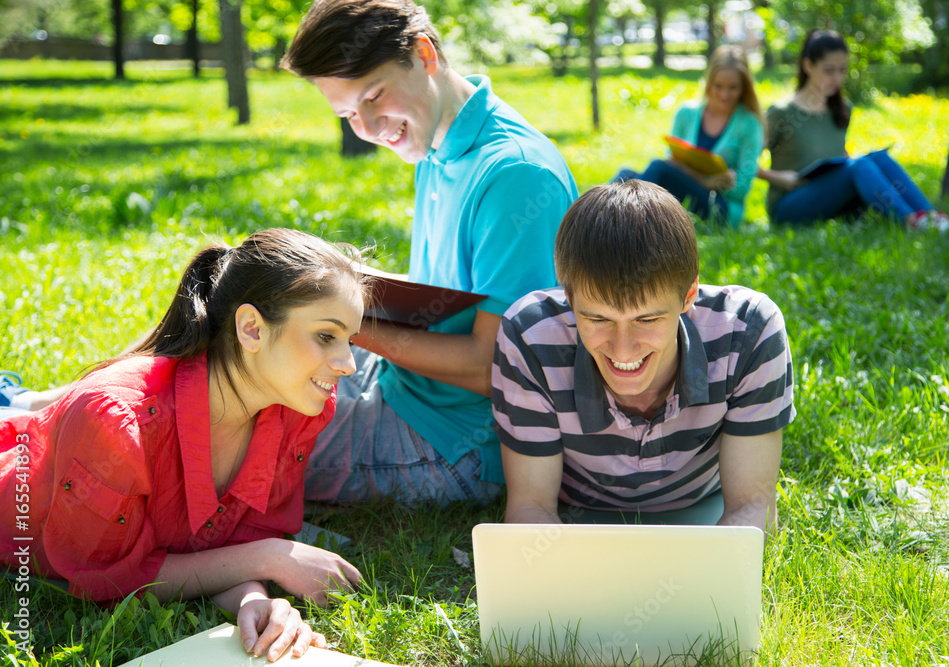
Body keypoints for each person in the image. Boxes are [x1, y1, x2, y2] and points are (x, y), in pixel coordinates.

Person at [2, 229, 368, 662]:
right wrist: (270, 559)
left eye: (351, 341)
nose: (348, 364)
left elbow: (230, 546)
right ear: (251, 329)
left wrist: (254, 601)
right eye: (327, 336)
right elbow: (108, 580)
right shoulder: (117, 424)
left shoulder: (293, 411)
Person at [279, 0, 578, 506]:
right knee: (241, 374)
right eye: (350, 113)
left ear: (424, 54)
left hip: (456, 442)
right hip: (403, 384)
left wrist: (344, 325)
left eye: (374, 96)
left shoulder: (515, 178)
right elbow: (448, 301)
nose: (370, 129)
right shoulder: (437, 144)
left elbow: (497, 369)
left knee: (243, 446)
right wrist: (338, 282)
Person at [492, 181, 794, 533]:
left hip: (705, 512)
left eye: (646, 319)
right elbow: (531, 508)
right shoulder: (529, 338)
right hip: (578, 519)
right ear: (568, 298)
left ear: (688, 296)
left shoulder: (750, 333)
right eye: (598, 319)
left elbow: (752, 508)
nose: (623, 349)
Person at [757, 29, 949, 230]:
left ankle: (933, 217)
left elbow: (837, 154)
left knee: (878, 159)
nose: (837, 79)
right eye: (829, 70)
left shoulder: (842, 108)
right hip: (789, 206)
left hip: (831, 199)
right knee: (859, 165)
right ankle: (911, 222)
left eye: (843, 70)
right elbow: (744, 163)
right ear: (808, 65)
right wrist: (778, 178)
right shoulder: (781, 112)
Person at [613, 45, 764, 229]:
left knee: (656, 169)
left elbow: (741, 188)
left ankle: (622, 227)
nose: (725, 95)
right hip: (686, 190)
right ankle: (594, 220)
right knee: (625, 176)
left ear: (744, 88)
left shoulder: (749, 123)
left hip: (720, 208)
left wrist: (705, 182)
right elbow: (672, 161)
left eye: (733, 88)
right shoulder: (686, 113)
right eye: (718, 86)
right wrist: (706, 181)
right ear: (709, 83)